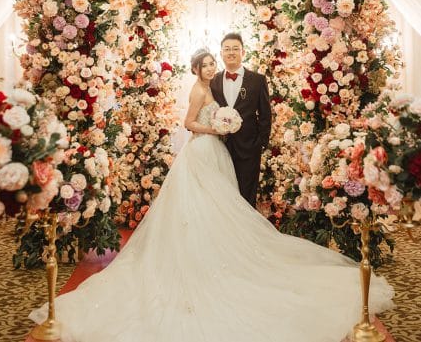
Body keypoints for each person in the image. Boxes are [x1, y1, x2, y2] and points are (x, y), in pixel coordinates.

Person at [29, 49, 393, 342]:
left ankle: (222, 252)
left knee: (223, 203)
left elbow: (248, 112)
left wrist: (227, 127)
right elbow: (187, 123)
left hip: (218, 151)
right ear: (197, 69)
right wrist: (214, 126)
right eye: (206, 64)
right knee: (201, 204)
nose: (211, 68)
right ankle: (200, 259)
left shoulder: (221, 84)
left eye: (212, 63)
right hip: (203, 149)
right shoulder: (200, 90)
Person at [210, 33, 271, 208]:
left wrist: (260, 142)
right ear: (221, 53)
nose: (231, 53)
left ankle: (248, 233)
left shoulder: (258, 80)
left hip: (249, 146)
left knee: (247, 193)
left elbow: (265, 114)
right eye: (227, 49)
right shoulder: (212, 81)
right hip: (219, 146)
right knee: (222, 193)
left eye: (235, 49)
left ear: (243, 52)